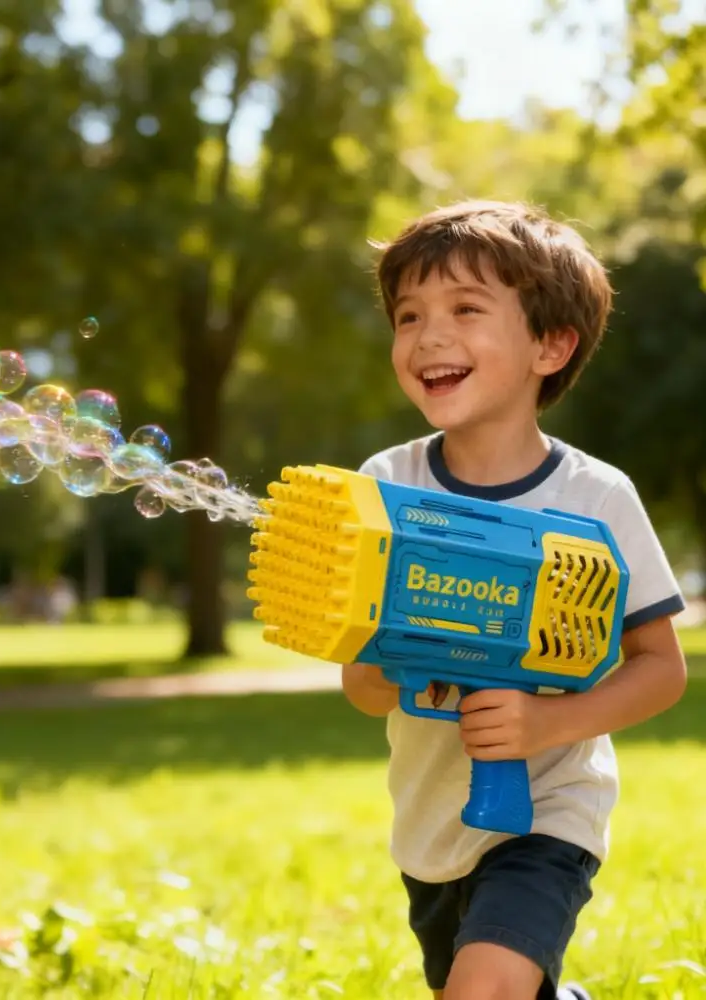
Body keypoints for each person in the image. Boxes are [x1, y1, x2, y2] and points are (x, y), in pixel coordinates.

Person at [341, 200, 688, 1000]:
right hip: (432, 822)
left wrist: (547, 724)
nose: (428, 336)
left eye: (466, 309)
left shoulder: (595, 498)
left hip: (548, 814)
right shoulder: (385, 486)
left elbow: (660, 670)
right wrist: (402, 661)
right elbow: (361, 688)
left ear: (550, 344)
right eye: (409, 315)